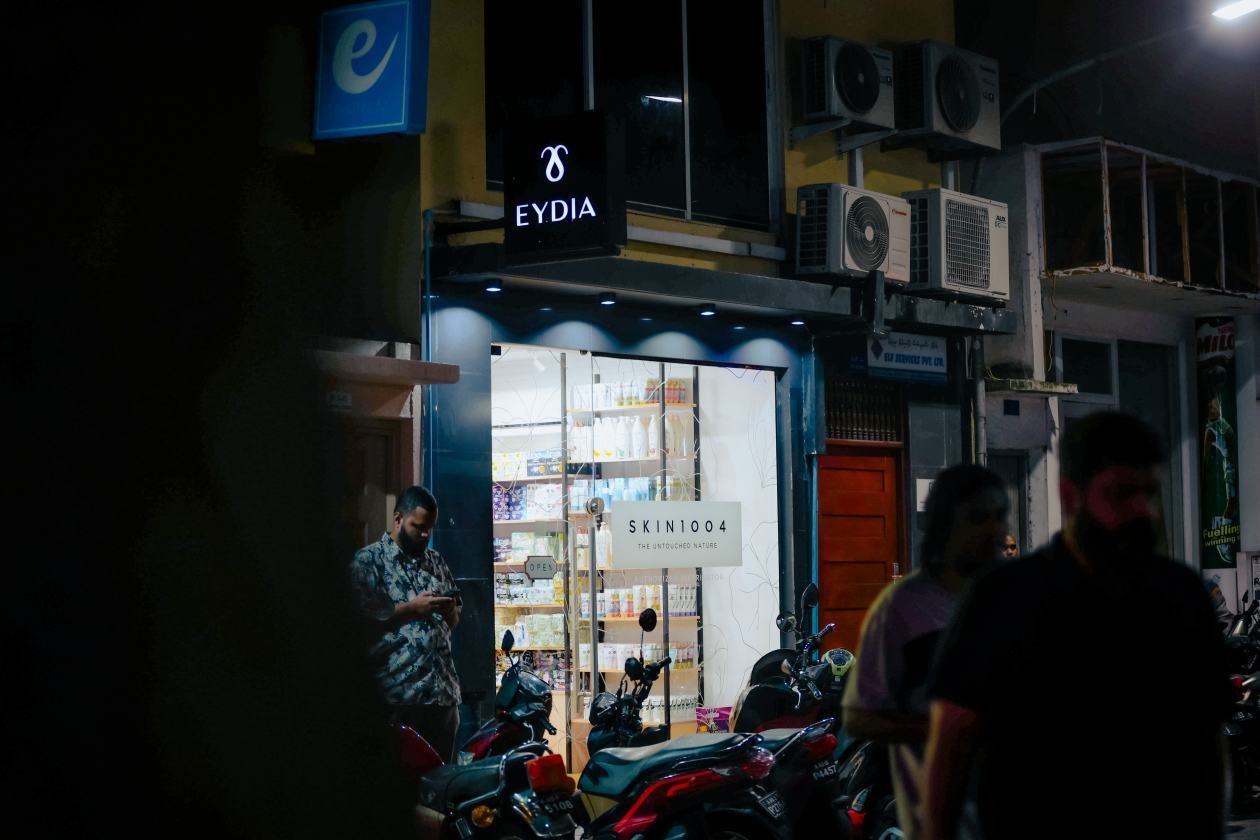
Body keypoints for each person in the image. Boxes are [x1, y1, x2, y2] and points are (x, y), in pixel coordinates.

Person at [921, 411, 1234, 840]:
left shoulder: (1183, 596)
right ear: (1071, 497)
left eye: (1149, 492)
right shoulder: (1001, 599)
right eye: (1121, 493)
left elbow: (1208, 739)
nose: (1142, 511)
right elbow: (951, 743)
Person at [842, 464, 1010, 839]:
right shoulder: (901, 608)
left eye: (999, 516)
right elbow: (860, 717)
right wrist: (941, 730)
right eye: (977, 517)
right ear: (945, 524)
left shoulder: (1018, 600)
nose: (993, 530)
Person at [349, 486, 463, 762]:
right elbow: (359, 620)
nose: (425, 535)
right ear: (398, 519)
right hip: (399, 695)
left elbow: (454, 619)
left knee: (442, 779)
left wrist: (450, 611)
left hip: (442, 695)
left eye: (429, 529)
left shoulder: (436, 561)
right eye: (418, 527)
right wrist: (411, 609)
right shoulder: (370, 561)